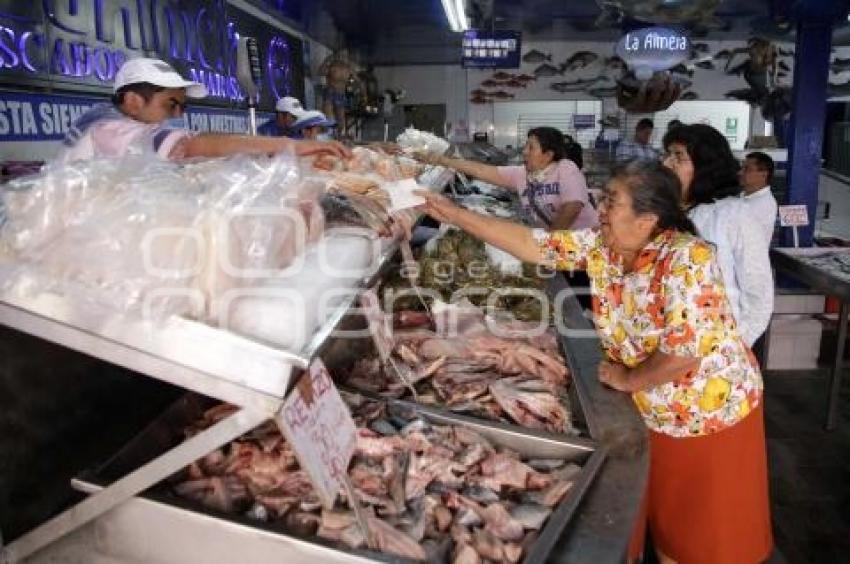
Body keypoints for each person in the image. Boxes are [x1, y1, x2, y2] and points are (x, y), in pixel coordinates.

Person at [414, 160, 772, 564]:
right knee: (671, 530)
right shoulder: (604, 248)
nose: (598, 209)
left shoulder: (687, 259)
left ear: (647, 219)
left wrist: (628, 379)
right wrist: (453, 214)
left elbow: (683, 351)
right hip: (654, 412)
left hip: (708, 414)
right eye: (602, 199)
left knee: (710, 538)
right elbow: (533, 244)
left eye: (611, 202)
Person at [58, 58, 349, 163]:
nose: (177, 115)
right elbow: (193, 145)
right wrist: (290, 146)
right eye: (171, 105)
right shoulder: (107, 129)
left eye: (181, 106)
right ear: (133, 101)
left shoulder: (113, 124)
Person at [662, 124, 773, 347]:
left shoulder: (733, 214)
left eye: (678, 156)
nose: (666, 163)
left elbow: (758, 292)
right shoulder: (665, 211)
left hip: (716, 350)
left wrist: (735, 346)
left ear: (705, 165)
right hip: (668, 349)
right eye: (667, 154)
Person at [415, 127, 597, 230]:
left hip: (583, 245)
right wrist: (440, 159)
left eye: (531, 148)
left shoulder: (566, 168)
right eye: (526, 145)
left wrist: (549, 246)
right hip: (556, 250)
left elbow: (572, 207)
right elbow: (480, 170)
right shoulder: (521, 174)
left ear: (548, 154)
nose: (524, 151)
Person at [739, 151, 778, 246]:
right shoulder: (744, 196)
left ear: (764, 175)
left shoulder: (762, 204)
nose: (740, 173)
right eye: (742, 168)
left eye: (747, 169)